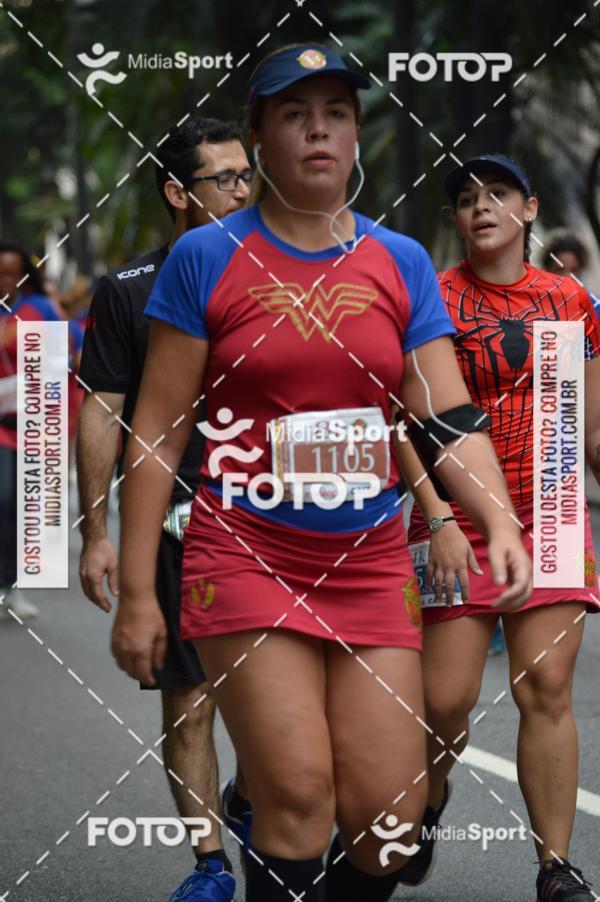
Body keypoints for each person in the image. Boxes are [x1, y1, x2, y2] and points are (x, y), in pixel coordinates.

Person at [113, 46, 532, 902]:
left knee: (387, 825)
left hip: (369, 560)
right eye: (295, 114)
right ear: (260, 135)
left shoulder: (399, 260)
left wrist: (499, 520)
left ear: (356, 134)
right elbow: (157, 432)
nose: (318, 130)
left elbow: (447, 414)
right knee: (300, 799)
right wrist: (135, 590)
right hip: (244, 550)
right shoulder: (206, 257)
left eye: (336, 113)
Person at [403, 155, 600, 901]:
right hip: (456, 517)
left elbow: (592, 425)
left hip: (553, 511)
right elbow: (406, 422)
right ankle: (427, 800)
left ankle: (555, 868)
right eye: (465, 198)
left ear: (529, 209)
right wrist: (437, 516)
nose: (480, 206)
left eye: (497, 194)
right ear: (457, 219)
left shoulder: (571, 301)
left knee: (546, 688)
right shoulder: (431, 299)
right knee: (445, 699)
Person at [76, 116, 251, 901]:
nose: (243, 191)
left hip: (281, 517)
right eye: (225, 179)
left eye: (248, 176)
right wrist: (97, 532)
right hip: (182, 517)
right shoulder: (128, 290)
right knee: (191, 698)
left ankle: (251, 795)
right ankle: (210, 864)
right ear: (179, 193)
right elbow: (101, 411)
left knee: (283, 694)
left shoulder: (287, 277)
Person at [0, 243, 63, 621]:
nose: (6, 281)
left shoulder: (40, 310)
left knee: (21, 504)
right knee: (4, 498)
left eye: (13, 273)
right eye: (0, 274)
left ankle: (12, 585)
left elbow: (61, 361)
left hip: (31, 425)